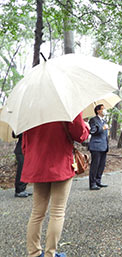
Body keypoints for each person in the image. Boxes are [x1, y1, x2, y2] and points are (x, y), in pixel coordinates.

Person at [21, 113, 89, 257]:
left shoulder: (31, 106)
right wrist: (86, 128)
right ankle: (49, 254)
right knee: (57, 212)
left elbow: (25, 144)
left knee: (37, 213)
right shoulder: (66, 104)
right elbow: (80, 135)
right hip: (60, 163)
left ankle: (33, 253)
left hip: (37, 164)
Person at [88, 104, 109, 190]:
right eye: (103, 109)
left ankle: (98, 181)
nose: (105, 110)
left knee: (101, 165)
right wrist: (102, 128)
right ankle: (92, 183)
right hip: (96, 146)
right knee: (95, 165)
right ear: (98, 111)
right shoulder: (93, 120)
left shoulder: (104, 121)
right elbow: (92, 131)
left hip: (104, 146)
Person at [12, 132, 31, 197]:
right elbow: (14, 135)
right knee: (21, 170)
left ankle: (23, 189)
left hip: (28, 149)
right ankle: (19, 190)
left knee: (27, 170)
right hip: (21, 150)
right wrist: (25, 131)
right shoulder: (21, 125)